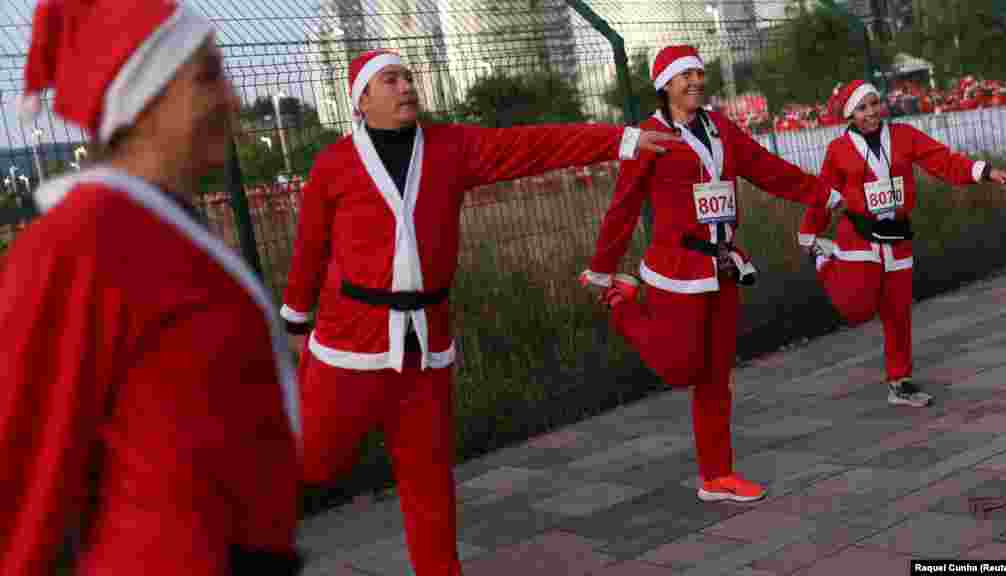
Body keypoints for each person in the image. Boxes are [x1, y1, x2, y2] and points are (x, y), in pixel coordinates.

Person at [280, 49, 677, 576]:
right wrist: (294, 322)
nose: (406, 88)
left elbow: (533, 146)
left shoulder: (452, 147)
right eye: (392, 80)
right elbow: (310, 247)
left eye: (408, 77)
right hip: (349, 343)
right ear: (362, 99)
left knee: (428, 479)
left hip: (426, 346)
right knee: (313, 461)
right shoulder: (333, 164)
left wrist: (621, 140)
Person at [0, 1, 303, 575]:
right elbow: (18, 474)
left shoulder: (161, 224)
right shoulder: (80, 244)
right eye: (208, 78)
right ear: (145, 99)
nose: (234, 101)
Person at [578, 45, 844, 503]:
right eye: (685, 76)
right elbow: (623, 207)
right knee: (681, 368)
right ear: (664, 85)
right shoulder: (648, 136)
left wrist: (821, 194)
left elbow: (766, 169)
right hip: (673, 270)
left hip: (723, 266)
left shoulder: (721, 128)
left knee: (715, 377)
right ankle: (623, 305)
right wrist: (603, 269)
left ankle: (717, 476)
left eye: (700, 73)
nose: (697, 81)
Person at [798, 79, 1006, 407]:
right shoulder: (838, 151)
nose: (871, 112)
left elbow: (942, 160)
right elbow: (824, 195)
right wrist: (809, 232)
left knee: (897, 312)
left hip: (897, 238)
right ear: (849, 115)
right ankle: (824, 260)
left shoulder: (903, 136)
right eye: (862, 108)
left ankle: (900, 382)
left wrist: (983, 171)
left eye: (873, 104)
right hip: (857, 237)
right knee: (856, 307)